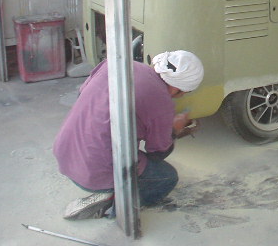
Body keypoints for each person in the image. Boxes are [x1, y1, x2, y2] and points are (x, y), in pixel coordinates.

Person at [53, 50, 204, 220]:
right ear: (177, 88)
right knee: (166, 177)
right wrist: (174, 128)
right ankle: (114, 203)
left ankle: (107, 190)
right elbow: (158, 153)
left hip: (65, 152)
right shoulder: (162, 102)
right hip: (94, 170)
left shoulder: (116, 64)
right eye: (185, 92)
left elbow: (82, 94)